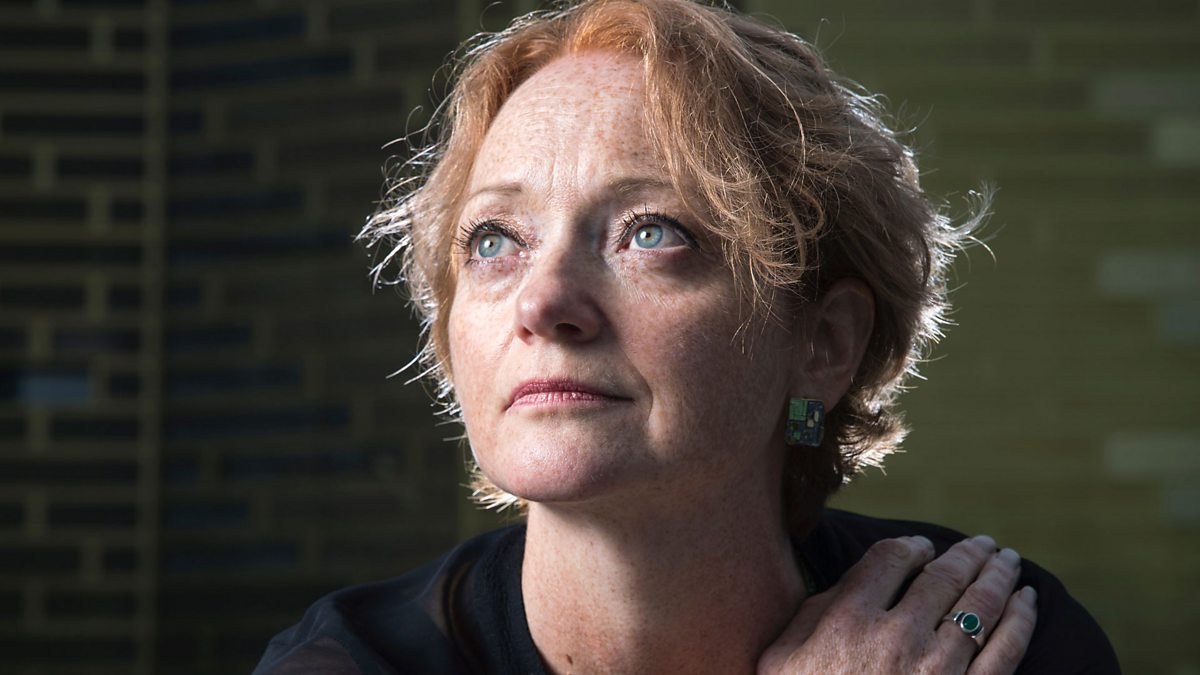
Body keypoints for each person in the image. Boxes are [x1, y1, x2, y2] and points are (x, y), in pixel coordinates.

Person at [253, 0, 1120, 672]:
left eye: (651, 232)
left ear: (824, 343)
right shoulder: (347, 663)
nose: (544, 299)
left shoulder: (986, 635)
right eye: (493, 241)